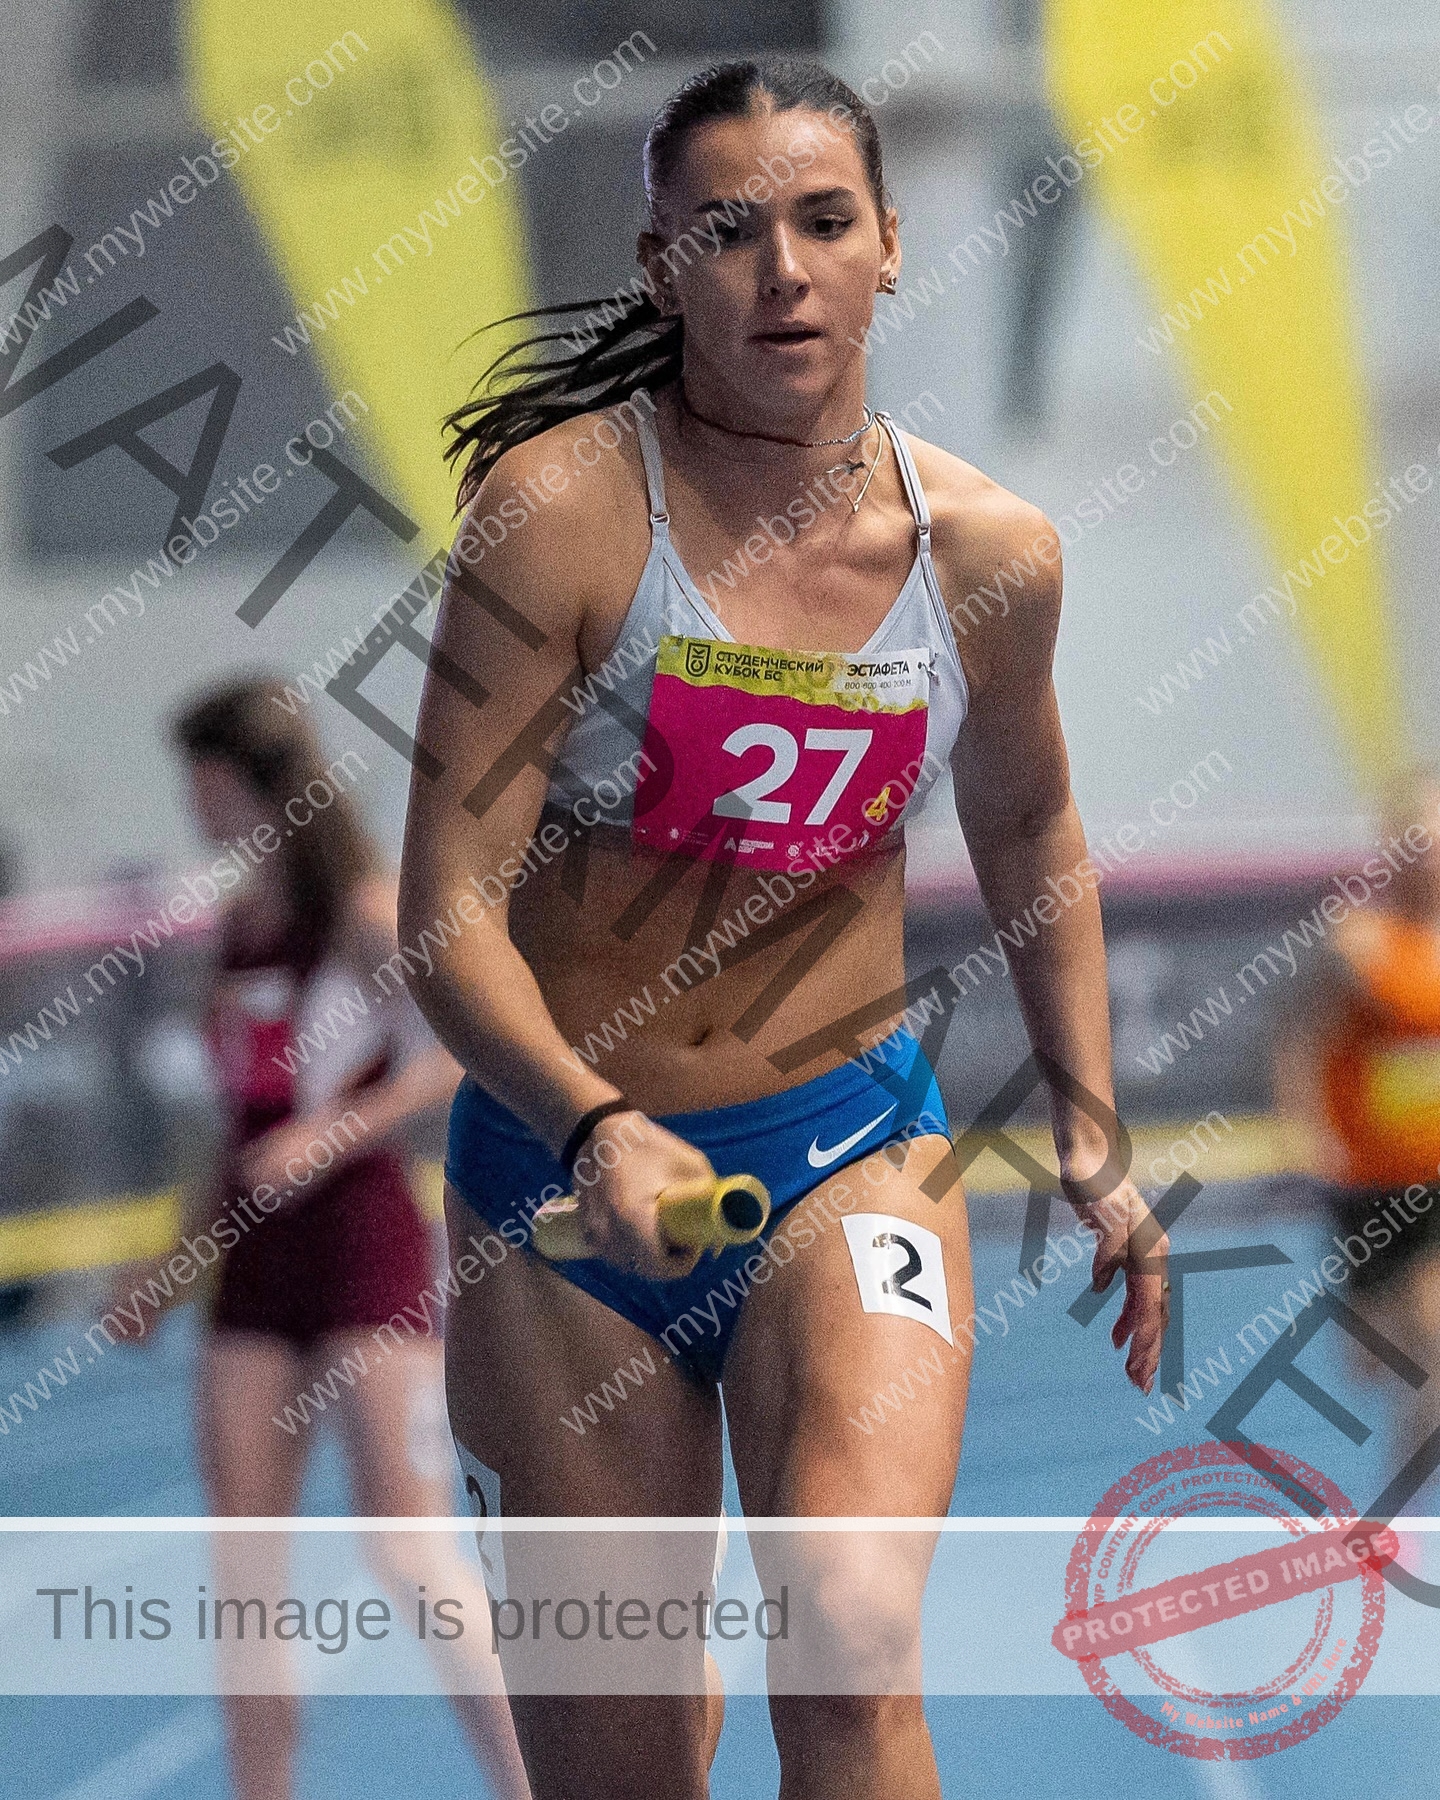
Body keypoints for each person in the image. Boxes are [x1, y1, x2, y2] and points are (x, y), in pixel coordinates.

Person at [401, 60, 1169, 1800]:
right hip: (559, 1192)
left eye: (826, 221)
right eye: (730, 230)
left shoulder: (990, 553)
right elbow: (444, 915)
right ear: (663, 263)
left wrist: (1095, 1137)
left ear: (893, 245)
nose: (785, 268)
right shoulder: (559, 516)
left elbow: (1033, 819)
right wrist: (593, 1128)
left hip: (850, 1150)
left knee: (845, 1636)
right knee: (623, 1763)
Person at [111, 678, 529, 1800]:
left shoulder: (364, 913)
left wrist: (334, 1134)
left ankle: (532, 1780)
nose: (191, 801)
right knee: (245, 1574)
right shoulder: (240, 927)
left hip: (363, 1247)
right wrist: (165, 1268)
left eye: (204, 779)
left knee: (407, 1548)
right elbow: (237, 1136)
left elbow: (455, 1055)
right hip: (255, 1269)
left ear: (256, 783)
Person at [1275, 768, 1440, 1479]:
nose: (1428, 852)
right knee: (1373, 1360)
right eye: (1416, 838)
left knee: (1435, 1345)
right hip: (1368, 1185)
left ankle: (1399, 1503)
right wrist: (1307, 1133)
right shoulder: (1356, 942)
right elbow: (1301, 1040)